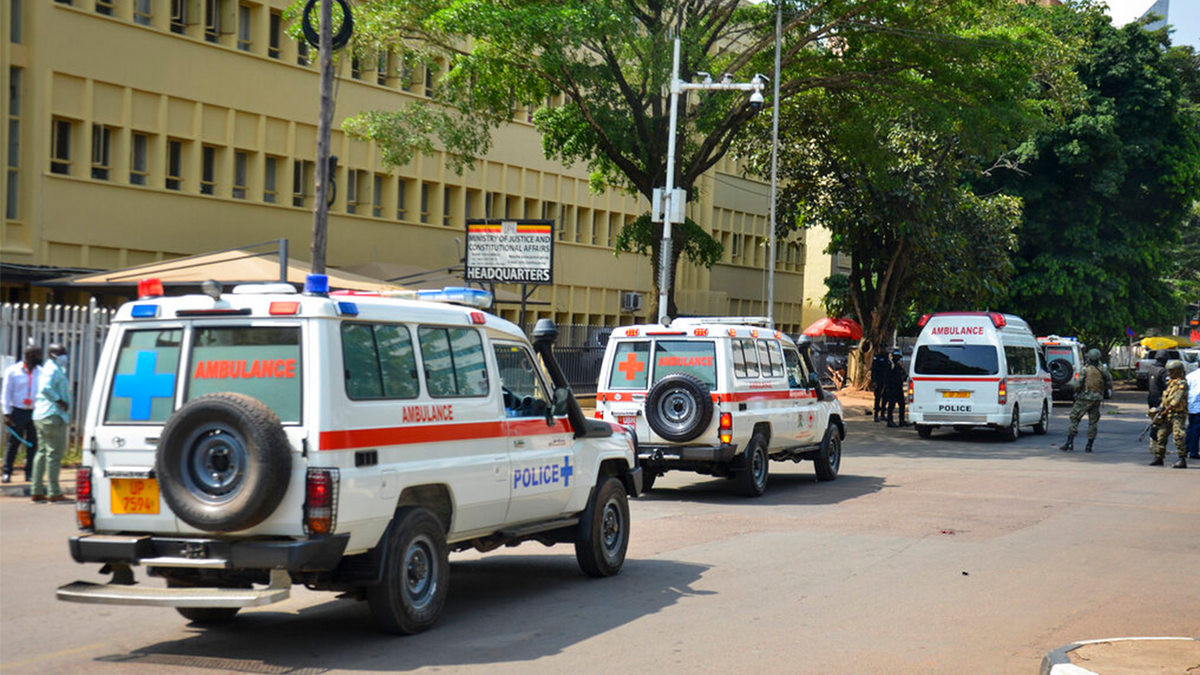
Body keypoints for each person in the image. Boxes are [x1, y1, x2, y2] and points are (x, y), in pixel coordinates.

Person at [31, 344, 71, 502]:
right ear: (53, 355)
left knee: (41, 452)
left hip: (41, 415)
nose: (64, 356)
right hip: (52, 415)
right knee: (54, 454)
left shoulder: (52, 368)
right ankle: (54, 492)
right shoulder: (52, 369)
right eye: (61, 353)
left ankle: (37, 491)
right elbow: (45, 388)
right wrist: (60, 400)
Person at [1, 345, 42, 484]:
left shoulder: (40, 372)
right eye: (38, 355)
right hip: (18, 411)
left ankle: (29, 473)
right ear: (30, 356)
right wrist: (6, 413)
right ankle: (7, 472)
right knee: (13, 443)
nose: (41, 358)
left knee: (33, 444)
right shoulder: (12, 371)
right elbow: (6, 393)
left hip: (35, 412)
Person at [1062, 348, 1112, 452]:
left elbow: (1078, 384)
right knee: (1093, 422)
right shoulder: (1103, 369)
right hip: (1097, 398)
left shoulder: (1085, 369)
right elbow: (1109, 383)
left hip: (1084, 398)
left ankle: (1070, 443)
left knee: (1074, 418)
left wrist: (1076, 391)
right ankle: (1089, 445)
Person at [1148, 359, 1188, 468]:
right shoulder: (1170, 383)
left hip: (1177, 414)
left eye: (1172, 371)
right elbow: (1166, 398)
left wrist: (1167, 408)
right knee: (1161, 434)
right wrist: (1160, 409)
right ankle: (1159, 457)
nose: (1169, 373)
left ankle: (1182, 458)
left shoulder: (1182, 384)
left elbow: (1177, 399)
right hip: (1167, 414)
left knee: (1178, 436)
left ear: (1178, 371)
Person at [885, 348, 908, 427]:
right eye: (897, 356)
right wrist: (888, 388)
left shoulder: (898, 365)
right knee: (891, 404)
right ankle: (890, 421)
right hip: (892, 387)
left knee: (902, 404)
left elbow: (904, 374)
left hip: (898, 387)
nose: (898, 358)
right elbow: (887, 377)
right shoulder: (890, 364)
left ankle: (902, 420)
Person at [1185, 364, 1200, 460]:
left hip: (1191, 405)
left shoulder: (1190, 375)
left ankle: (1186, 448)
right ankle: (1193, 451)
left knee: (1191, 428)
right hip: (1198, 406)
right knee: (1196, 430)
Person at [871, 351, 890, 423]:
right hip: (879, 380)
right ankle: (876, 415)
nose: (885, 349)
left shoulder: (887, 358)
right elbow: (874, 370)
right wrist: (874, 381)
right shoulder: (878, 358)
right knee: (878, 398)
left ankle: (882, 414)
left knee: (885, 398)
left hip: (886, 381)